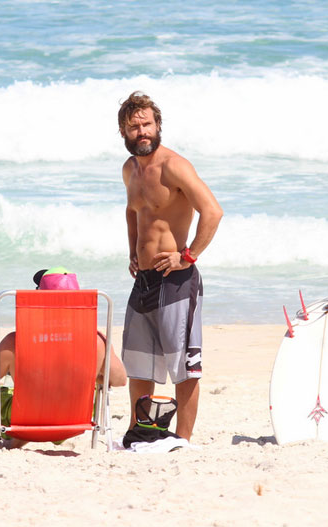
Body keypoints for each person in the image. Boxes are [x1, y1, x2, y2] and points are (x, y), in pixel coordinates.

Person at [118, 91, 223, 442]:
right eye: (134, 127)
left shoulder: (174, 166)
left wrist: (188, 255)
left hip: (177, 280)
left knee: (184, 367)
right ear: (124, 132)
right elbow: (134, 211)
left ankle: (184, 440)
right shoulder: (130, 169)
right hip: (144, 280)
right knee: (138, 363)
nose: (142, 131)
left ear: (158, 125)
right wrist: (133, 250)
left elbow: (212, 211)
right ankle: (142, 431)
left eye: (147, 124)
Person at [0, 268, 127, 447]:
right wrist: (92, 374)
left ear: (39, 299)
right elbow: (119, 379)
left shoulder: (16, 341)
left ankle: (18, 439)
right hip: (75, 422)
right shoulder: (97, 341)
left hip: (24, 423)